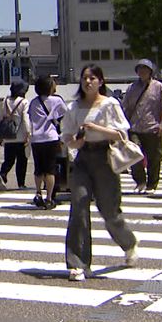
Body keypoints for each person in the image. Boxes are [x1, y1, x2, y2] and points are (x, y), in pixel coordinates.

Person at [59, 64, 139, 280]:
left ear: (101, 82)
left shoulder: (109, 104)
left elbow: (121, 134)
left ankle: (128, 243)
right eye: (85, 78)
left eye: (93, 78)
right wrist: (75, 142)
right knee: (79, 206)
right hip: (83, 159)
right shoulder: (73, 107)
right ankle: (78, 263)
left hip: (105, 158)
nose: (88, 82)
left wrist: (97, 129)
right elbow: (66, 136)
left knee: (110, 211)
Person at [121, 59, 162, 195]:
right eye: (140, 69)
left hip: (153, 127)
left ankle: (152, 183)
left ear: (150, 71)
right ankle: (140, 181)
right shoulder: (132, 87)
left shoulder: (158, 86)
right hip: (135, 127)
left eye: (145, 69)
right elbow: (125, 107)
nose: (142, 72)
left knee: (154, 157)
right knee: (134, 154)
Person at [27, 76, 67, 208]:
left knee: (38, 168)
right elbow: (64, 115)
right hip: (50, 137)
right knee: (50, 169)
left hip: (36, 139)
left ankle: (38, 193)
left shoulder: (33, 102)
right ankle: (49, 198)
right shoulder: (56, 100)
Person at [0, 81, 31, 190]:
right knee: (22, 161)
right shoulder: (24, 102)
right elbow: (25, 119)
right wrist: (28, 133)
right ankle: (21, 184)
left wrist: (0, 134)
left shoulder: (5, 101)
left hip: (8, 136)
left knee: (8, 160)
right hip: (20, 137)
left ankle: (2, 174)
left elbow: (0, 119)